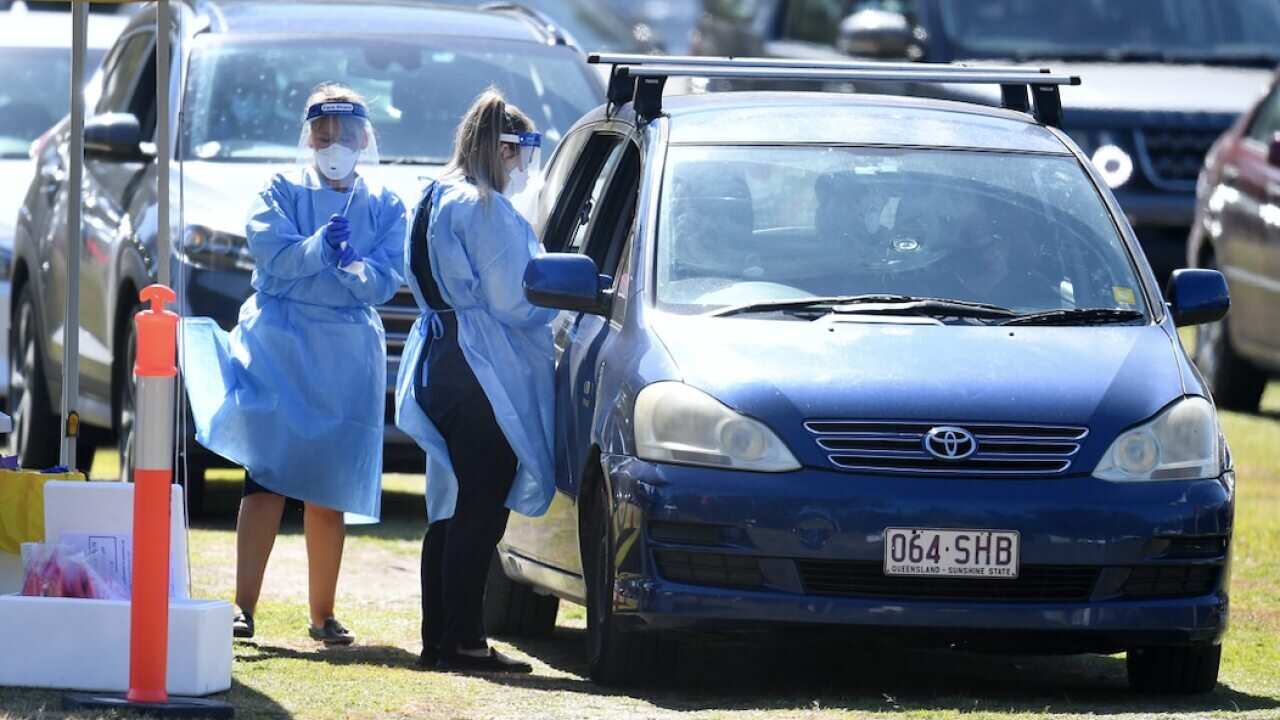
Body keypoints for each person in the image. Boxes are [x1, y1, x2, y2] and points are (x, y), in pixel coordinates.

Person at [182, 83, 406, 645]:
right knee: (264, 482)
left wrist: (357, 269)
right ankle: (243, 606)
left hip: (345, 361)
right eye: (323, 136)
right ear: (308, 139)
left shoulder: (384, 206)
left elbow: (387, 276)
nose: (334, 147)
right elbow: (271, 254)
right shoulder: (279, 190)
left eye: (345, 137)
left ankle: (322, 613)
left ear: (364, 140)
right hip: (280, 351)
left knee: (327, 491)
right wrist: (314, 250)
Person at [395, 88, 555, 673]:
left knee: (450, 505)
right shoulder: (484, 207)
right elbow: (515, 300)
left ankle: (440, 639)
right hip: (478, 365)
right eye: (518, 155)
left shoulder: (433, 193)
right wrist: (560, 307)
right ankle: (464, 641)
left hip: (438, 357)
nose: (520, 169)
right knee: (480, 508)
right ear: (503, 148)